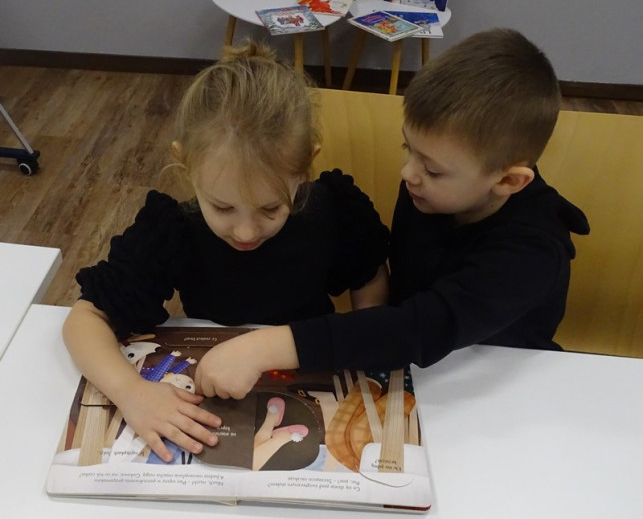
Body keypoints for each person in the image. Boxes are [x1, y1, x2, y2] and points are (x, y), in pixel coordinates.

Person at [195, 27, 591, 399]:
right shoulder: (429, 192)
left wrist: (266, 347)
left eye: (432, 169)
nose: (409, 174)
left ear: (508, 181)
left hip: (499, 391)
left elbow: (421, 326)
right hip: (421, 374)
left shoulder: (532, 253)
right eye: (408, 149)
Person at [62, 41, 390, 463]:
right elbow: (84, 320)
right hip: (213, 388)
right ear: (185, 164)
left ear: (306, 166)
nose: (246, 231)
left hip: (307, 365)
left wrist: (363, 340)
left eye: (270, 208)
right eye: (222, 207)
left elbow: (369, 276)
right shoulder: (174, 229)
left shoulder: (334, 211)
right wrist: (132, 392)